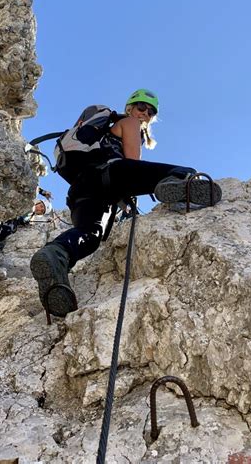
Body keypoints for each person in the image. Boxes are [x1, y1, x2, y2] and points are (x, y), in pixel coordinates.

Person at [30, 89, 221, 318]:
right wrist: (143, 183)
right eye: (142, 107)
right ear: (130, 108)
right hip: (112, 175)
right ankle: (183, 183)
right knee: (185, 172)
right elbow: (132, 163)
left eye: (150, 112)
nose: (145, 114)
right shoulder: (129, 122)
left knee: (90, 236)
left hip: (82, 190)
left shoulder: (103, 130)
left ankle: (56, 256)